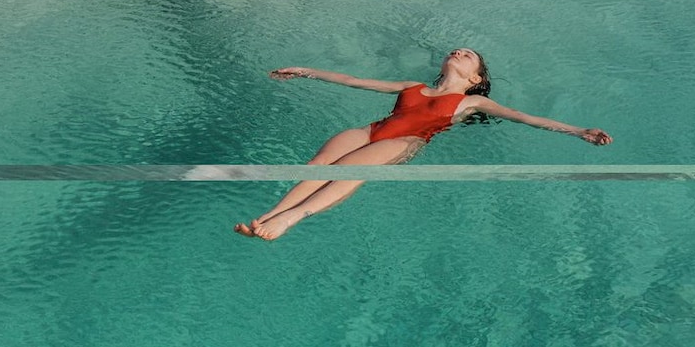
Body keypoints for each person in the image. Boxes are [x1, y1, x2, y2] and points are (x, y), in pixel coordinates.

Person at [235, 48, 611, 240]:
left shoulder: (473, 102)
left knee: (349, 171)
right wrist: (306, 71)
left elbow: (526, 117)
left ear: (476, 78)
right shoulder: (412, 86)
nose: (458, 52)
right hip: (372, 130)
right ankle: (268, 216)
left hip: (405, 140)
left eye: (468, 54)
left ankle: (290, 218)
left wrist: (579, 131)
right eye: (455, 50)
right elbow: (353, 80)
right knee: (317, 167)